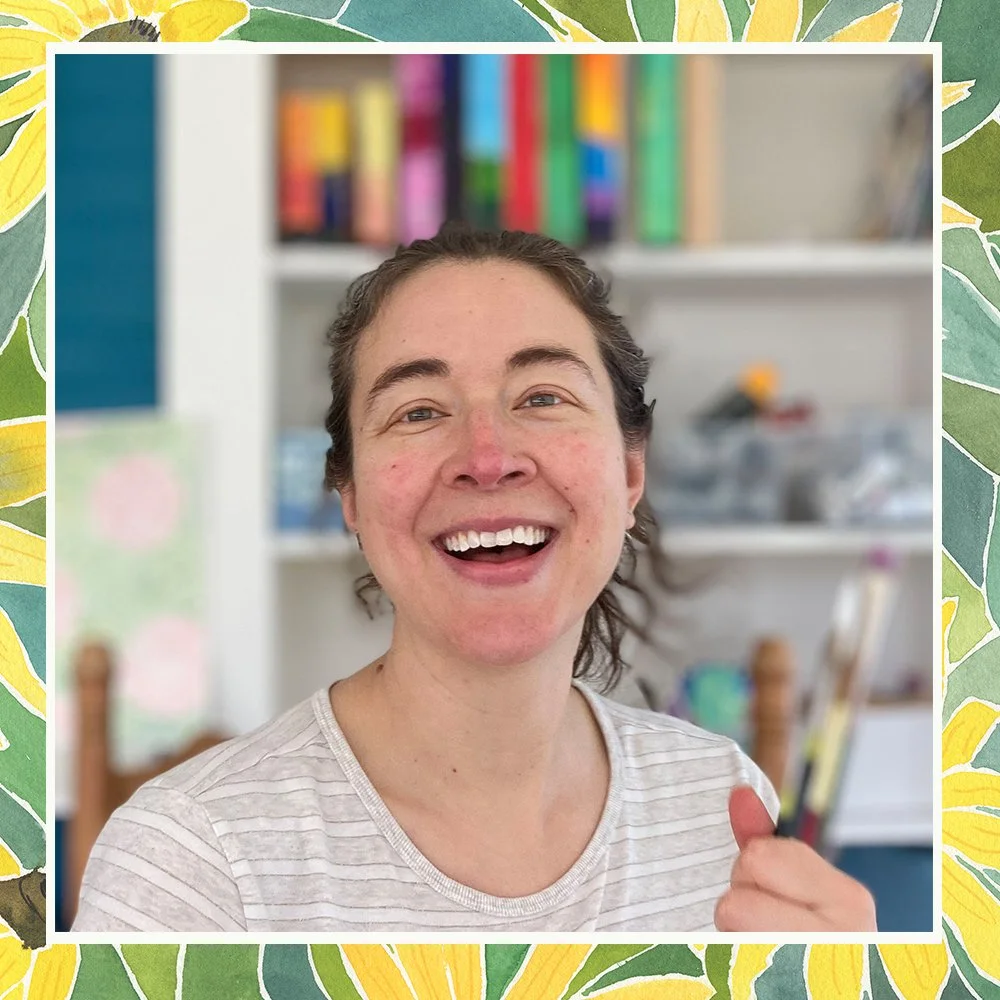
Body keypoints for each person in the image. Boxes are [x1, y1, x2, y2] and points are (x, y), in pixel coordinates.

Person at [73, 225, 877, 933]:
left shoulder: (725, 809)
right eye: (419, 411)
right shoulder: (190, 864)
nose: (487, 458)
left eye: (543, 396)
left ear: (631, 473)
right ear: (350, 497)